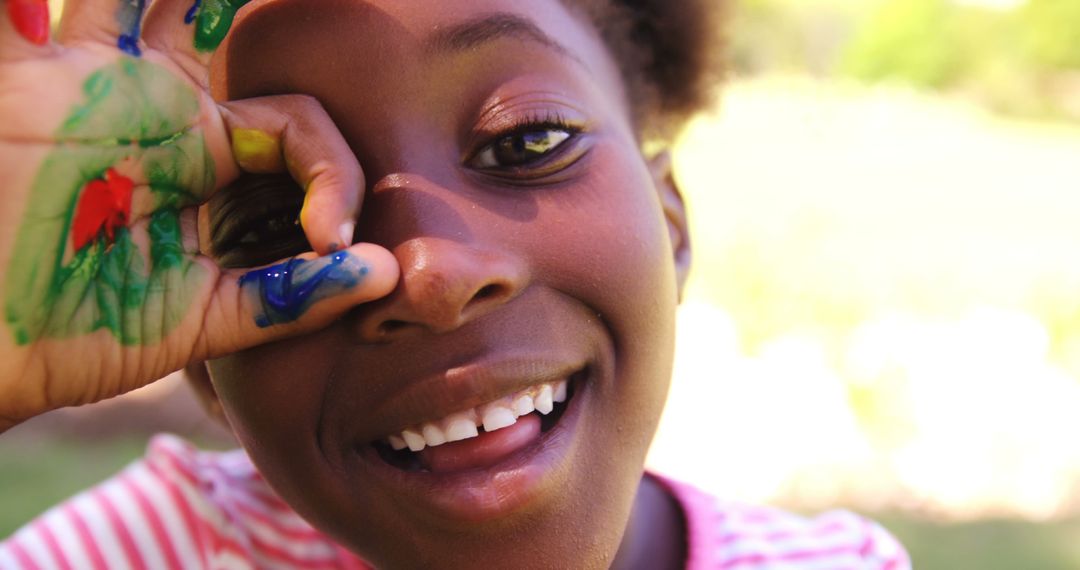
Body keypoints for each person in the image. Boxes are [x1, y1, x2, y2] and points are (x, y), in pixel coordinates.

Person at [0, 0, 911, 568]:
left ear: (671, 221)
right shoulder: (142, 555)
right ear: (204, 363)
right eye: (276, 220)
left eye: (528, 140)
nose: (428, 275)